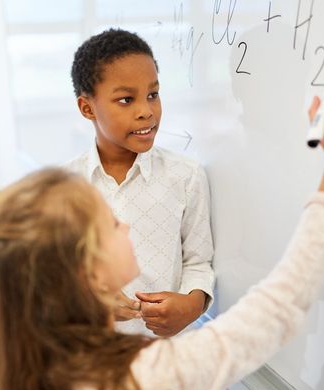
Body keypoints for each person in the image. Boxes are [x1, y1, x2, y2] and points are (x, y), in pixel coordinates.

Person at [0, 90, 324, 390]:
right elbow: (276, 308)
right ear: (88, 274)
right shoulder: (142, 378)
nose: (126, 229)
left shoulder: (21, 363)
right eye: (112, 224)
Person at [66, 28, 214, 337]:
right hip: (93, 361)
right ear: (87, 108)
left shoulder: (185, 176)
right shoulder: (66, 187)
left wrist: (191, 305)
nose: (146, 111)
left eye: (153, 95)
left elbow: (198, 262)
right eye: (125, 99)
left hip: (167, 361)